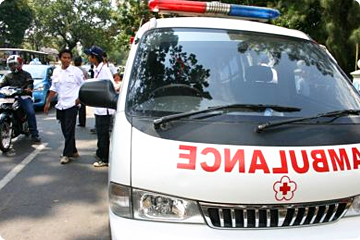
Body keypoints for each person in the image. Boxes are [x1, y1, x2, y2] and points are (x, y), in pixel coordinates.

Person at [44, 49, 84, 164]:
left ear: (71, 59)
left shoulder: (76, 71)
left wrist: (79, 99)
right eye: (64, 57)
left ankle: (66, 154)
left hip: (72, 104)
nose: (66, 60)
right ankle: (74, 150)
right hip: (61, 105)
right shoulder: (56, 71)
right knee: (65, 130)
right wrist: (47, 102)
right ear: (60, 58)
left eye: (68, 58)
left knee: (69, 129)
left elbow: (83, 86)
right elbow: (53, 88)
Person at [85, 45, 114, 167]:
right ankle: (99, 152)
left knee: (103, 134)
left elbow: (110, 86)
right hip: (99, 107)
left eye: (90, 56)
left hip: (104, 108)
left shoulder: (105, 70)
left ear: (94, 57)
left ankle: (104, 158)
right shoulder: (97, 69)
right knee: (99, 132)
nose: (88, 58)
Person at [0, 55, 41, 143]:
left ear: (20, 64)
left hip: (23, 96)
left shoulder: (26, 74)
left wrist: (28, 89)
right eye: (11, 65)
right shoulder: (7, 75)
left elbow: (30, 84)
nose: (13, 66)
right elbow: (2, 84)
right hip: (10, 97)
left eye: (15, 64)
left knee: (30, 112)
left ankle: (34, 134)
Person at [74, 56, 88, 127]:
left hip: (74, 91)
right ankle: (82, 122)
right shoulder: (84, 70)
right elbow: (86, 79)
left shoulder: (72, 70)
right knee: (82, 107)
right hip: (82, 90)